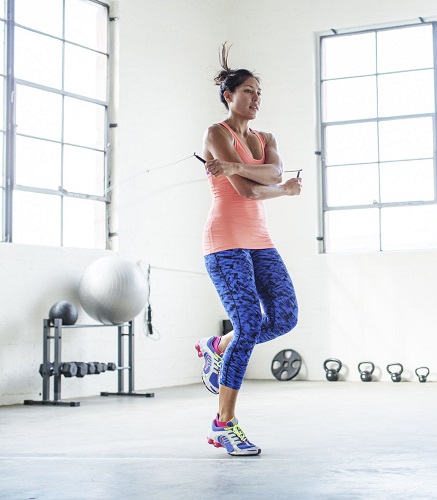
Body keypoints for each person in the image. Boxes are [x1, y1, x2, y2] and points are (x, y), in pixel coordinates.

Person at [195, 43, 301, 456]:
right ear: (229, 95)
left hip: (260, 242)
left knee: (286, 316)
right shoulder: (215, 133)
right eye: (249, 92)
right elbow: (246, 191)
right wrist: (279, 188)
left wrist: (240, 166)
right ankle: (224, 423)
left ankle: (217, 347)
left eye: (259, 93)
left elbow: (271, 170)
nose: (256, 99)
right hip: (224, 243)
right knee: (249, 323)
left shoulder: (265, 137)